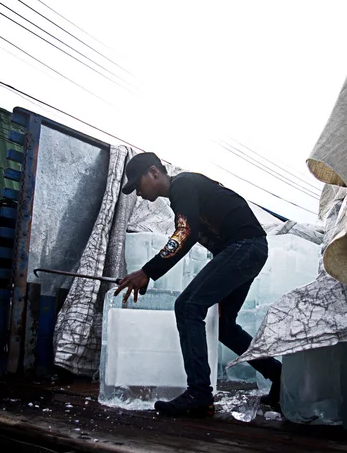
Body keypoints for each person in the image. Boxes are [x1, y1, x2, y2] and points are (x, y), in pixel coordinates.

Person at [114, 152, 282, 417]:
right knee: (225, 327)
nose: (138, 192)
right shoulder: (184, 195)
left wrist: (147, 271)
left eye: (138, 184)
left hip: (245, 247)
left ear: (155, 172)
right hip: (248, 249)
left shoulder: (183, 185)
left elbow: (185, 233)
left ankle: (199, 393)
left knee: (187, 306)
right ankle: (279, 376)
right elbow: (188, 230)